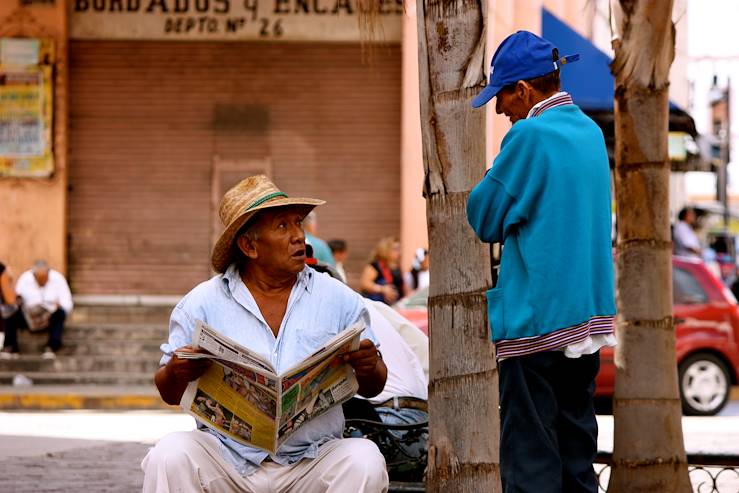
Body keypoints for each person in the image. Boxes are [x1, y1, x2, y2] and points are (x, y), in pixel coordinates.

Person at [142, 175, 389, 493]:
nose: (299, 236)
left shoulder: (338, 297)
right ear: (249, 246)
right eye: (283, 227)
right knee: (170, 454)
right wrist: (177, 370)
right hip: (228, 464)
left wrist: (370, 366)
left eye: (298, 223)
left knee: (364, 459)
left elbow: (374, 386)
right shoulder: (201, 303)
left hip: (309, 463)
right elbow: (170, 393)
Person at [466, 31, 617, 493]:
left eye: (503, 96)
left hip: (536, 325)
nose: (500, 110)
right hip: (585, 324)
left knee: (530, 463)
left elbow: (484, 215)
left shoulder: (529, 135)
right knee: (576, 460)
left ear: (525, 90)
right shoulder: (590, 132)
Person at [1, 260, 73, 359]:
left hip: (48, 318)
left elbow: (68, 304)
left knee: (60, 314)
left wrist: (59, 306)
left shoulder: (58, 279)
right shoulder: (25, 279)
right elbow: (16, 300)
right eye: (39, 279)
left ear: (49, 273)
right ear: (33, 275)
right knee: (11, 312)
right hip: (28, 317)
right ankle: (10, 347)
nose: (42, 282)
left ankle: (52, 347)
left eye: (44, 279)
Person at [360, 237, 406, 305]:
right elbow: (364, 284)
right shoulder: (375, 266)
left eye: (400, 249)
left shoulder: (396, 267)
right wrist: (382, 289)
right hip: (376, 306)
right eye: (395, 249)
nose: (399, 252)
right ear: (385, 249)